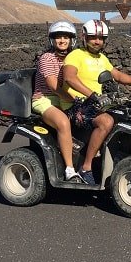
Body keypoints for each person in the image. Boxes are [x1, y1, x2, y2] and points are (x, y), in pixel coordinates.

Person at [62, 19, 131, 184]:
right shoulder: (76, 55)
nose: (97, 41)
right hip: (76, 105)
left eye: (101, 38)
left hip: (95, 103)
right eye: (93, 37)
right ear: (84, 37)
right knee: (106, 121)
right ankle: (86, 168)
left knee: (127, 114)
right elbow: (69, 77)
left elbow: (117, 75)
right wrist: (92, 95)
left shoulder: (102, 58)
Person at [32, 21, 82, 182]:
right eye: (58, 37)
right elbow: (53, 86)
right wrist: (76, 100)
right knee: (63, 123)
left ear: (71, 40)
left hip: (64, 98)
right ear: (52, 40)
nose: (62, 40)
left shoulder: (72, 57)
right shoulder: (47, 58)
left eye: (66, 37)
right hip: (45, 99)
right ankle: (69, 169)